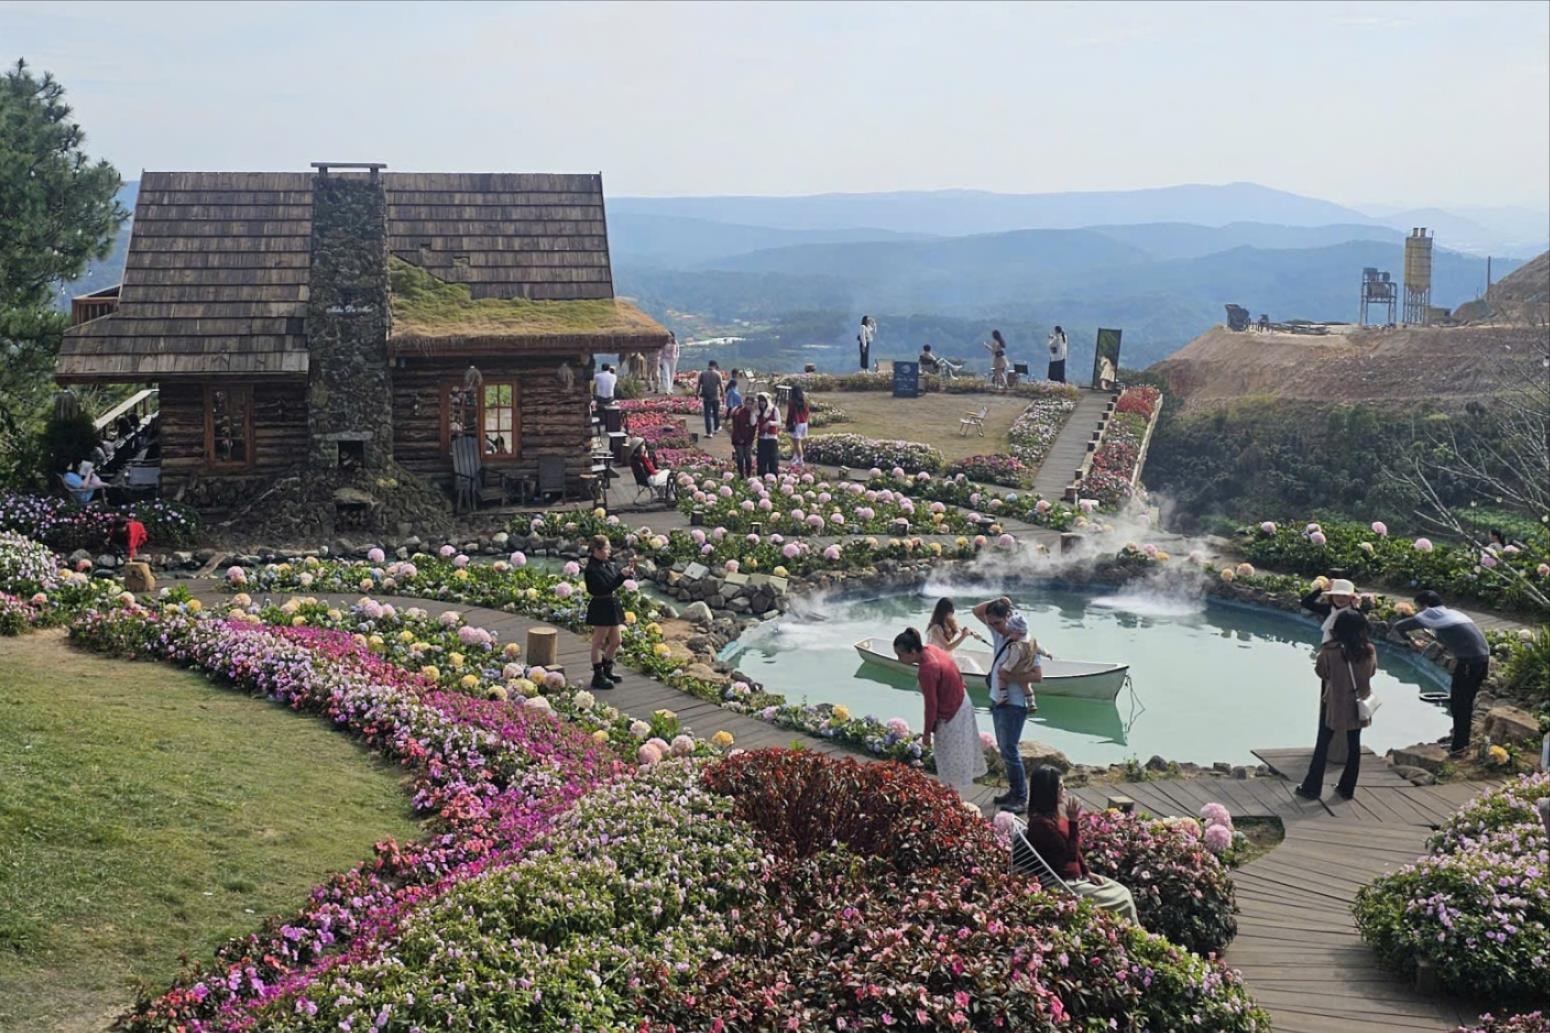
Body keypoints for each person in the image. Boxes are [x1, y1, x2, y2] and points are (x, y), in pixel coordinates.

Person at [1013, 766, 1140, 923]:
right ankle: (1134, 932)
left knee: (1123, 891)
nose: (1065, 791)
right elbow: (1070, 855)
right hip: (1064, 883)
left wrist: (1087, 872)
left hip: (1077, 877)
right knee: (1123, 899)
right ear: (1049, 791)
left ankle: (1133, 929)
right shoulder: (1041, 825)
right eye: (1060, 787)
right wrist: (1073, 821)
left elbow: (1073, 850)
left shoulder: (1053, 815)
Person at [1391, 590, 1490, 755]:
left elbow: (1399, 626)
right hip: (1481, 659)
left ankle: (1459, 747)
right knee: (1463, 701)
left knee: (1460, 703)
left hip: (1470, 662)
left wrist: (1412, 641)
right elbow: (1450, 638)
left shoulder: (1431, 613)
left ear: (1425, 605)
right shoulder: (1453, 613)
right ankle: (1460, 741)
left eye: (1418, 607)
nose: (1418, 612)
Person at [892, 627, 987, 794]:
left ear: (913, 651)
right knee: (958, 752)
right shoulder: (930, 649)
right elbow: (952, 665)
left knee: (950, 755)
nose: (899, 659)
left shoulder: (927, 669)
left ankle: (952, 793)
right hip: (962, 699)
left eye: (901, 655)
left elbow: (931, 705)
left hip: (953, 711)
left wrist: (926, 734)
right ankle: (952, 791)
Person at [1294, 610, 1376, 801]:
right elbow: (1371, 672)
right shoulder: (1369, 649)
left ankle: (1311, 788)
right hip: (1359, 703)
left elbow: (1321, 672)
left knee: (1323, 744)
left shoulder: (1330, 651)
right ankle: (1347, 789)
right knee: (1354, 746)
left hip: (1335, 702)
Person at [973, 596, 1042, 809]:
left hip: (1015, 703)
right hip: (998, 700)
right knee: (1005, 750)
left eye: (997, 623)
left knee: (1010, 750)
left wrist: (1009, 677)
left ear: (1008, 618)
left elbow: (1037, 676)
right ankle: (1014, 792)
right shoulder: (1000, 635)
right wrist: (1001, 599)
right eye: (991, 624)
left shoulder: (1026, 642)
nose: (994, 627)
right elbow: (977, 610)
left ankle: (1021, 798)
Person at [584, 535, 634, 691]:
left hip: (611, 604)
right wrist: (621, 576)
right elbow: (605, 587)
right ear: (597, 550)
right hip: (601, 605)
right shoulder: (592, 569)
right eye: (606, 548)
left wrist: (625, 574)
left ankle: (607, 670)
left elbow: (613, 582)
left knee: (616, 641)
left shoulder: (606, 564)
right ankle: (597, 676)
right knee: (598, 642)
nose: (609, 551)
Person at [1301, 577, 1360, 644]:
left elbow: (1363, 628)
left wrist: (1356, 607)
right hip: (1328, 646)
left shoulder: (1354, 613)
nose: (1340, 598)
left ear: (1351, 598)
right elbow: (1305, 603)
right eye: (1337, 595)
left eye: (1344, 596)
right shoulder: (1328, 609)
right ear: (1332, 596)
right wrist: (1322, 589)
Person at [727, 394, 756, 479]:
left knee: (748, 457)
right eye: (747, 403)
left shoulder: (753, 414)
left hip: (748, 439)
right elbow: (736, 426)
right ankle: (741, 475)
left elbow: (753, 427)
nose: (749, 406)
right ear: (744, 403)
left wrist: (750, 439)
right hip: (738, 438)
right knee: (740, 456)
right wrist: (739, 438)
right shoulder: (739, 412)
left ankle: (748, 474)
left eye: (751, 404)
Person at [754, 392, 782, 477]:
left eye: (763, 401)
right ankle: (761, 476)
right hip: (762, 438)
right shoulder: (758, 411)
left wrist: (770, 423)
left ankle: (773, 476)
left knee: (773, 459)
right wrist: (753, 411)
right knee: (761, 459)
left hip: (772, 438)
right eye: (760, 401)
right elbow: (753, 422)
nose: (761, 403)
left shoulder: (774, 409)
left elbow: (779, 422)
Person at [697, 360, 725, 437]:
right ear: (715, 366)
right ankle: (716, 428)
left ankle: (709, 432)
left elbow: (699, 385)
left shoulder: (703, 374)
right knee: (716, 413)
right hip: (715, 397)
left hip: (706, 398)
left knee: (707, 415)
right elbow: (721, 386)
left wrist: (696, 394)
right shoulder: (717, 374)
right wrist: (723, 396)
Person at [785, 385, 810, 468]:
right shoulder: (805, 401)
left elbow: (790, 414)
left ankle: (800, 460)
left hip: (797, 423)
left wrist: (787, 425)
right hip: (804, 423)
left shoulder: (792, 402)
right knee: (800, 442)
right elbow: (807, 412)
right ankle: (795, 458)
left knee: (796, 443)